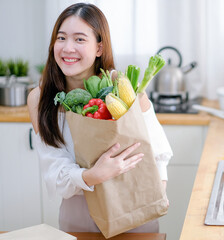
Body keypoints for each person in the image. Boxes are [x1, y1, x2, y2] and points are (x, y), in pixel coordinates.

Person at [27, 3, 172, 233]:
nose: (67, 48)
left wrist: (156, 193)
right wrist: (93, 176)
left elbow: (157, 150)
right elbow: (54, 171)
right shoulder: (40, 98)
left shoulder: (123, 86)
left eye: (80, 39)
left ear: (99, 48)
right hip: (78, 217)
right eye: (61, 38)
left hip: (133, 209)